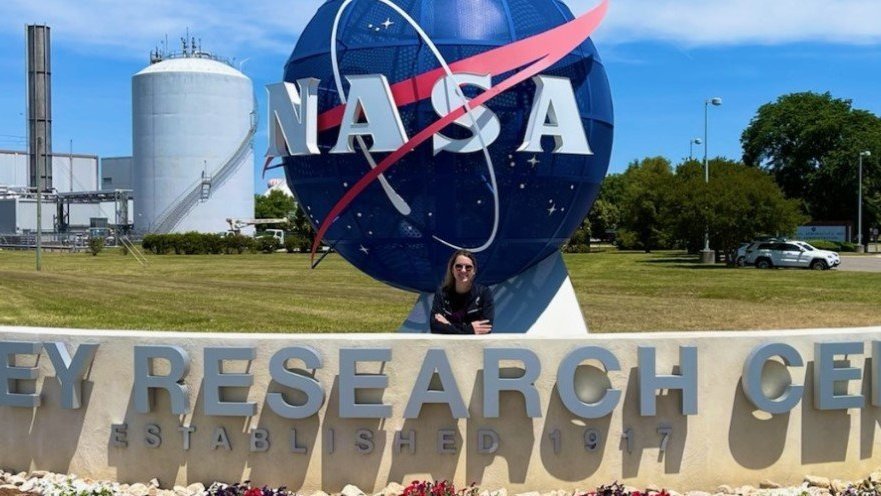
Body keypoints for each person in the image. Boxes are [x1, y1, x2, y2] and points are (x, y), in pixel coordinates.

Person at [430, 249, 494, 334]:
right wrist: (470, 329)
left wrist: (448, 324)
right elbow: (434, 326)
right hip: (449, 346)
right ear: (452, 270)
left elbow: (486, 328)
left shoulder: (484, 293)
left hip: (475, 346)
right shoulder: (442, 293)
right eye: (458, 266)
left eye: (468, 267)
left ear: (474, 271)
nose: (463, 270)